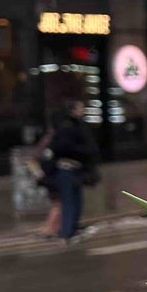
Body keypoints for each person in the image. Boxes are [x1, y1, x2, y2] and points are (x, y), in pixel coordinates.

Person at [47, 101, 99, 243]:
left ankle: (70, 230)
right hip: (68, 170)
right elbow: (66, 147)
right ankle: (67, 232)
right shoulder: (69, 127)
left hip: (72, 170)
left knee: (74, 200)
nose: (82, 110)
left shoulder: (71, 126)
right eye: (79, 108)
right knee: (69, 201)